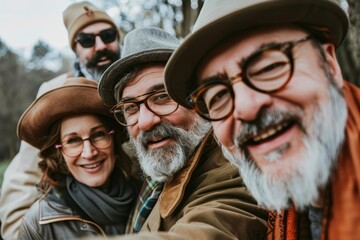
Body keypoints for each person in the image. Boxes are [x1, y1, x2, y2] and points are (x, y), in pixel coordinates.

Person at [164, 0, 360, 239]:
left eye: (269, 67)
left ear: (329, 64)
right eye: (219, 96)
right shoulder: (284, 216)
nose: (245, 108)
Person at [96, 27, 267, 239]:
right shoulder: (153, 165)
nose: (145, 122)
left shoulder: (234, 166)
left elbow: (211, 228)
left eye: (161, 96)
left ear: (199, 100)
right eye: (131, 107)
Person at [0, 2, 122, 239]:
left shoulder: (135, 85)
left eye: (108, 36)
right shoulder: (53, 93)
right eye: (86, 40)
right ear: (75, 49)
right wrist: (22, 231)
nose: (100, 46)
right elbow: (24, 175)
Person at [16, 77, 136, 239]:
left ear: (114, 140)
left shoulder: (147, 197)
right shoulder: (38, 224)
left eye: (98, 134)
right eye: (73, 140)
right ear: (59, 151)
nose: (89, 152)